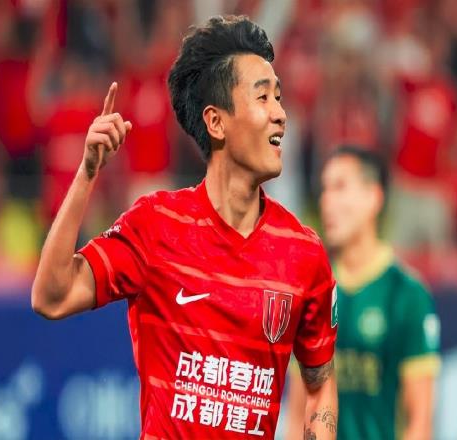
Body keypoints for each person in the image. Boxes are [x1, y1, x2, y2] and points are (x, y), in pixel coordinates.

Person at [31, 16, 338, 439]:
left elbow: (319, 385)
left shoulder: (303, 252)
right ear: (216, 122)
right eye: (263, 97)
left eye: (280, 98)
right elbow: (51, 296)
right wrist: (86, 174)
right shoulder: (156, 224)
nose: (280, 115)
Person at [285, 145, 440, 440]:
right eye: (324, 189)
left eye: (340, 187)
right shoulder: (312, 294)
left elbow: (419, 422)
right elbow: (297, 417)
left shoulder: (407, 294)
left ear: (373, 197)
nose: (327, 201)